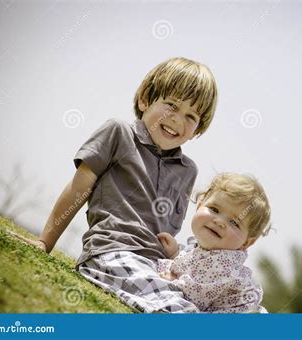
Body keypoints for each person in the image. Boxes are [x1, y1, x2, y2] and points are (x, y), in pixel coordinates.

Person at [14, 57, 218, 313]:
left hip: (156, 267)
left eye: (191, 116)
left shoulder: (188, 170)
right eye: (171, 105)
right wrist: (45, 242)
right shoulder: (118, 133)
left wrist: (174, 259)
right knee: (178, 309)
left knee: (212, 301)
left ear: (198, 128)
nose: (178, 120)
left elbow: (168, 231)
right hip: (110, 252)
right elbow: (78, 189)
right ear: (145, 100)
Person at [157, 173, 272, 313]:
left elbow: (196, 296)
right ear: (199, 206)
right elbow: (192, 268)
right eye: (214, 210)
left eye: (234, 222)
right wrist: (175, 253)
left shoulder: (223, 263)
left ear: (246, 243)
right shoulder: (205, 250)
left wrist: (173, 282)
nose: (219, 221)